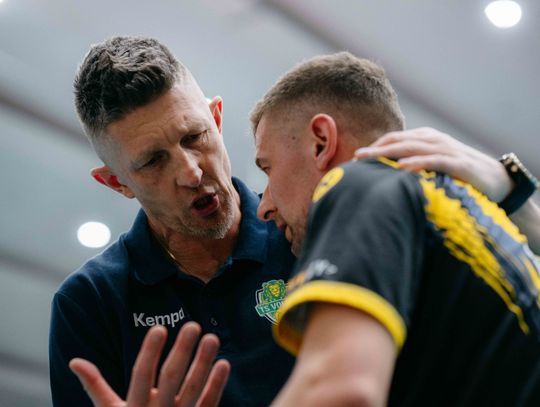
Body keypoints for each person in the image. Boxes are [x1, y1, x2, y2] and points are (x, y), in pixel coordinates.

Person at [50, 36, 540, 406]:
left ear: (216, 118)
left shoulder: (310, 225)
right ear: (115, 182)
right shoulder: (89, 303)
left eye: (195, 136)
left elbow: (345, 389)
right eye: (153, 161)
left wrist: (511, 190)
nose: (191, 172)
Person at [250, 52, 540, 406]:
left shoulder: (362, 184)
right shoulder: (470, 216)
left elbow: (340, 392)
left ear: (321, 141)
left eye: (268, 168)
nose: (263, 207)